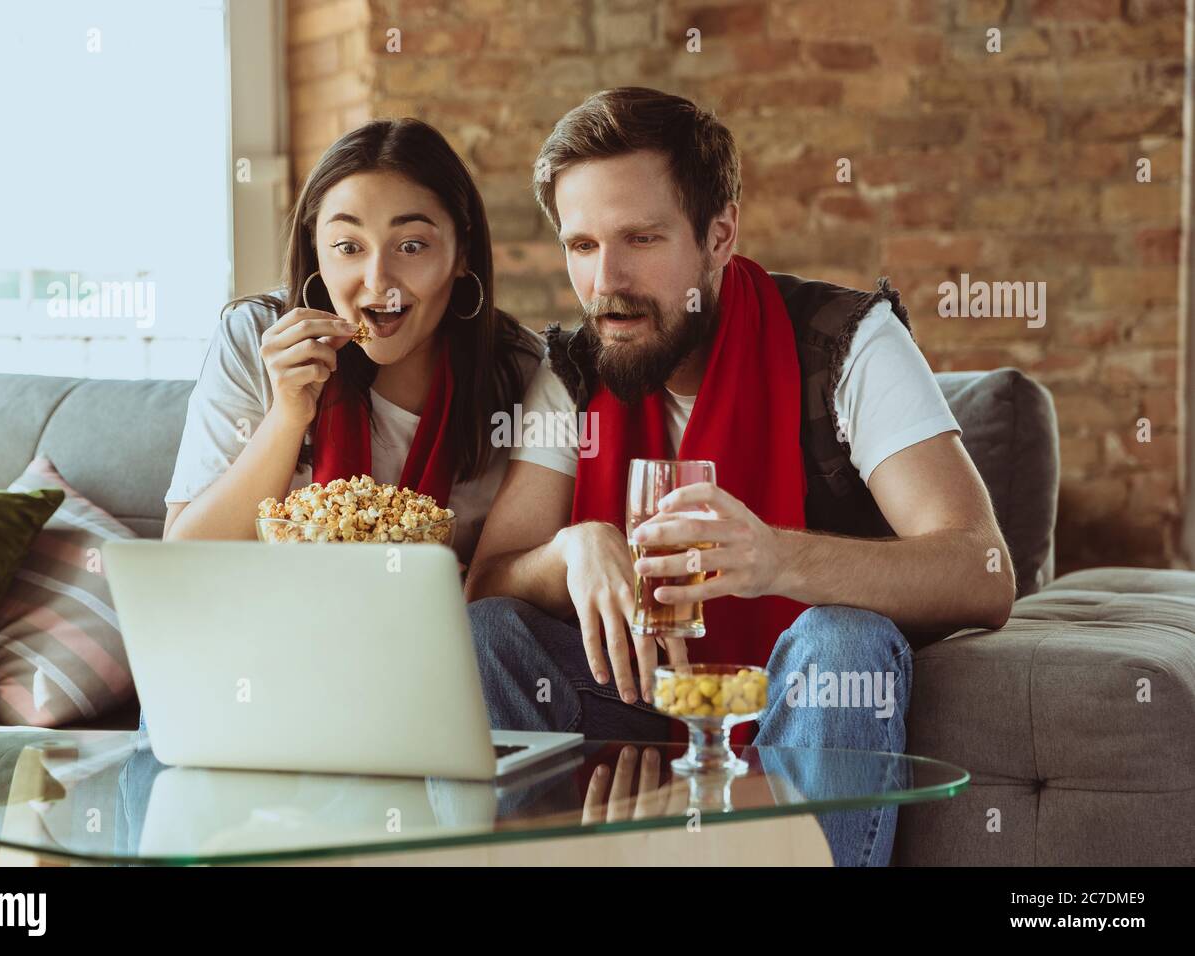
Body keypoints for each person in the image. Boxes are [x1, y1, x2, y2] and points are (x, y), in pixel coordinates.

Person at [464, 87, 1016, 867]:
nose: (606, 282)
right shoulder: (573, 374)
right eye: (581, 246)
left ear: (719, 235)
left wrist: (777, 559)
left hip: (798, 708)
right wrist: (572, 550)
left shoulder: (848, 344)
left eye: (641, 239)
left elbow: (983, 570)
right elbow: (487, 584)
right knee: (492, 634)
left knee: (842, 640)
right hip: (634, 699)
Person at [161, 118, 541, 567]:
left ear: (462, 253)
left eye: (412, 246)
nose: (379, 281)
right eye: (347, 246)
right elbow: (183, 564)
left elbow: (515, 586)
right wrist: (287, 416)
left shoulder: (524, 371)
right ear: (316, 251)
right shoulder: (254, 338)